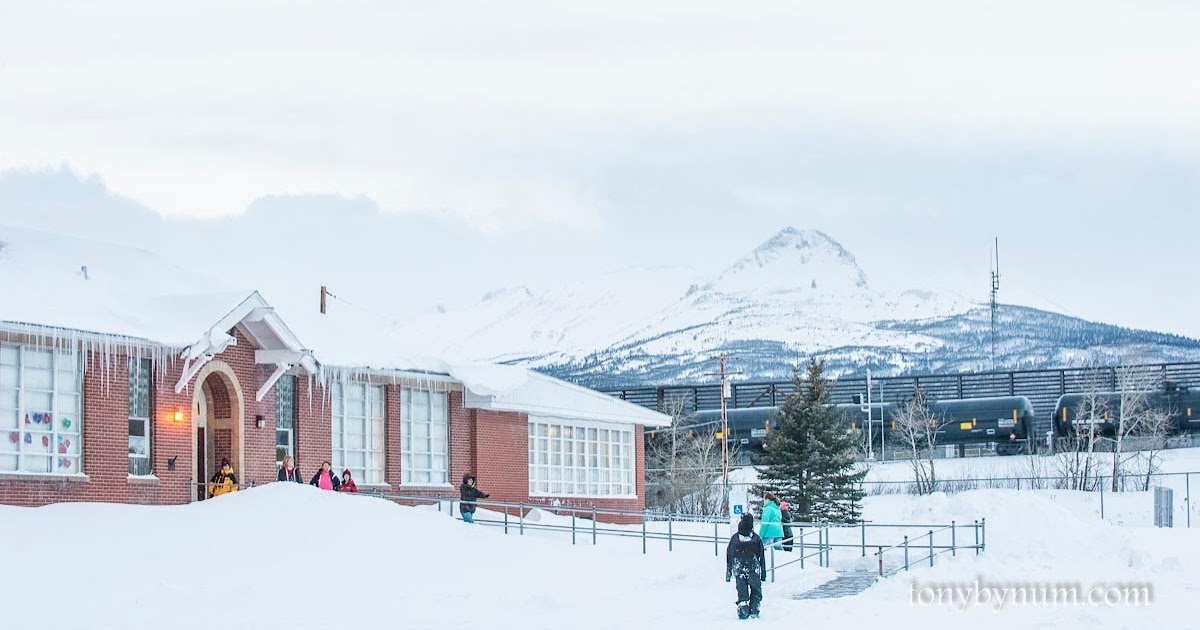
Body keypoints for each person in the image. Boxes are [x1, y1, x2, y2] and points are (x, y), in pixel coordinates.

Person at [726, 513, 766, 619]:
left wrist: (729, 572)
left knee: (742, 591)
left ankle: (743, 609)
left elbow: (729, 554)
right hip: (753, 568)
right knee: (756, 590)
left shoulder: (735, 538)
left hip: (739, 569)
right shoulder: (756, 539)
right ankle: (754, 608)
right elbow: (761, 555)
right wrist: (763, 574)